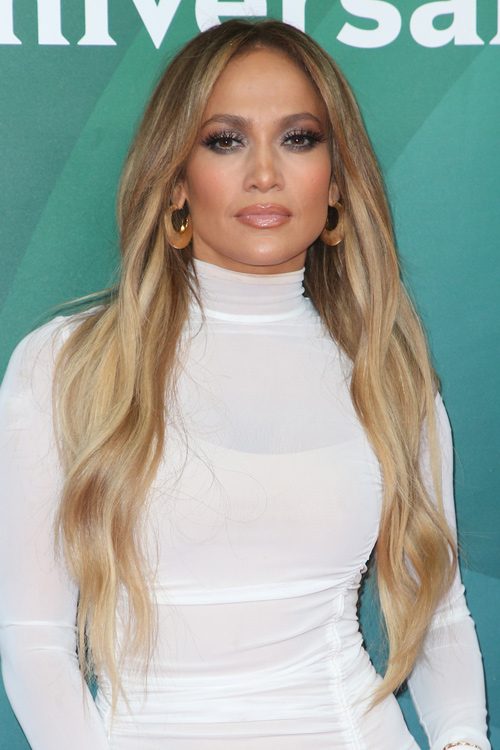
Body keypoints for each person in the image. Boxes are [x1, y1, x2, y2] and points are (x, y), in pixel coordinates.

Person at [0, 18, 490, 750]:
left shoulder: (388, 375)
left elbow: (441, 614)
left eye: (299, 138)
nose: (265, 172)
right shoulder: (66, 366)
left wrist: (463, 741)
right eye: (226, 140)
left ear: (336, 184)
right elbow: (34, 640)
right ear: (175, 180)